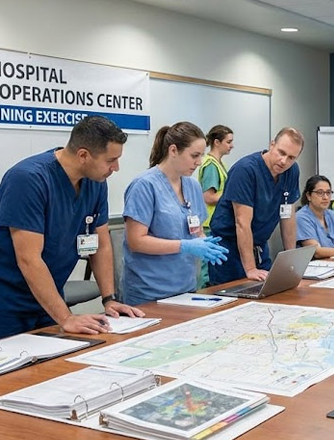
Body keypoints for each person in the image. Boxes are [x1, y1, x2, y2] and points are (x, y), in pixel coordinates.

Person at [0, 116, 144, 342]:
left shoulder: (95, 183)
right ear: (83, 155)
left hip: (46, 292)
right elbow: (29, 259)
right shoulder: (28, 179)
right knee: (4, 368)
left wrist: (109, 299)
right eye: (110, 160)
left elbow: (101, 245)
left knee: (48, 363)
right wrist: (66, 317)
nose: (116, 168)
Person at [122, 122, 229, 306]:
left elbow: (196, 231)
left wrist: (205, 244)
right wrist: (184, 246)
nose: (199, 162)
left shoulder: (193, 186)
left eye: (201, 155)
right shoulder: (145, 185)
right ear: (173, 150)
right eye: (194, 155)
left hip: (186, 289)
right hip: (149, 292)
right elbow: (136, 241)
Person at [208, 127, 304, 284]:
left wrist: (290, 260)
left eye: (291, 157)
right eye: (281, 152)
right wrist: (250, 269)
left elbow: (288, 216)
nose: (284, 161)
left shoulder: (291, 171)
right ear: (272, 144)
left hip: (258, 247)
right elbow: (242, 223)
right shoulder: (245, 170)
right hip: (229, 249)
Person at [198, 124, 234, 234]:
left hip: (218, 220)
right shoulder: (211, 166)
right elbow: (208, 197)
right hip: (211, 223)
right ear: (217, 142)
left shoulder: (219, 164)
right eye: (228, 142)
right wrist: (232, 197)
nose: (232, 146)